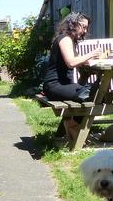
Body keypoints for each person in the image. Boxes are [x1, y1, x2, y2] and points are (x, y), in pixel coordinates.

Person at [42, 12, 104, 142]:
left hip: (63, 85)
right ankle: (72, 124)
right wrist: (90, 54)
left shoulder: (70, 40)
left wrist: (91, 61)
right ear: (73, 24)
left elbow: (73, 61)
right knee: (91, 94)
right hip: (55, 85)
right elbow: (71, 62)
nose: (85, 31)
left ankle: (69, 125)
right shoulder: (65, 39)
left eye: (87, 28)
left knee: (94, 92)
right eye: (83, 27)